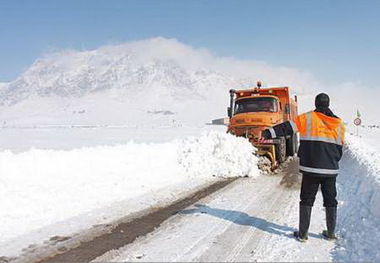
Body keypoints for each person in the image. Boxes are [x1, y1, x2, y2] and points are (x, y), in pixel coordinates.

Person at [261, 93, 345, 242]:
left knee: (306, 200)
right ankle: (331, 234)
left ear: (316, 103)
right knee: (331, 201)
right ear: (328, 104)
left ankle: (303, 234)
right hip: (330, 170)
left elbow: (286, 127)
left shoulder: (307, 118)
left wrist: (268, 132)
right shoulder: (339, 124)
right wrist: (332, 161)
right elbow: (340, 148)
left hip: (311, 169)